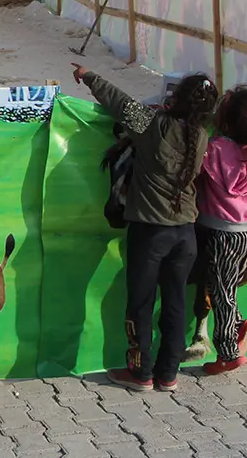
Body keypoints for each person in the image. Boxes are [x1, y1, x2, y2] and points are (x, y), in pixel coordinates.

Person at [70, 64, 219, 393]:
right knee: (176, 302)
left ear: (175, 97)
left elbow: (119, 102)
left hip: (151, 232)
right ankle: (168, 374)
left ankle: (142, 374)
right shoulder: (202, 136)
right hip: (186, 234)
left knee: (140, 303)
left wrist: (89, 74)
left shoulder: (154, 126)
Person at [197, 86, 247, 375]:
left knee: (222, 291)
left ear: (226, 121)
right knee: (227, 286)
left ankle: (229, 353)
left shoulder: (215, 149)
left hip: (221, 230)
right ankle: (239, 324)